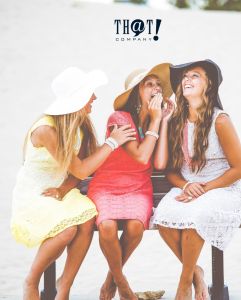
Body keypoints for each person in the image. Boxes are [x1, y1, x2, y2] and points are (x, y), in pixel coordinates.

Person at [11, 67, 136, 300]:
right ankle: (31, 281)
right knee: (67, 229)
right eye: (90, 93)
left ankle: (65, 287)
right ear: (78, 100)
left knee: (87, 220)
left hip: (60, 190)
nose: (95, 98)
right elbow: (80, 169)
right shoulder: (47, 129)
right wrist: (112, 142)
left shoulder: (80, 123)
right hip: (35, 194)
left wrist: (63, 189)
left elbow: (85, 166)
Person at [150, 60, 241, 300]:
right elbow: (170, 171)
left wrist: (204, 189)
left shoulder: (220, 121)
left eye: (195, 76)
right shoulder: (176, 121)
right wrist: (186, 185)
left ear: (208, 85)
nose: (186, 80)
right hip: (189, 187)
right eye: (184, 76)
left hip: (222, 188)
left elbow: (239, 169)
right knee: (163, 218)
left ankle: (184, 286)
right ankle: (196, 273)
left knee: (196, 216)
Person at [87, 63, 175, 300]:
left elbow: (159, 163)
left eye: (158, 84)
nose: (156, 88)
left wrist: (163, 121)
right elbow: (140, 154)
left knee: (136, 226)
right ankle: (123, 286)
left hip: (138, 187)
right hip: (107, 185)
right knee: (107, 226)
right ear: (137, 92)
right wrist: (156, 120)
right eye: (149, 84)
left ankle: (111, 280)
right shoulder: (119, 118)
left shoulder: (155, 122)